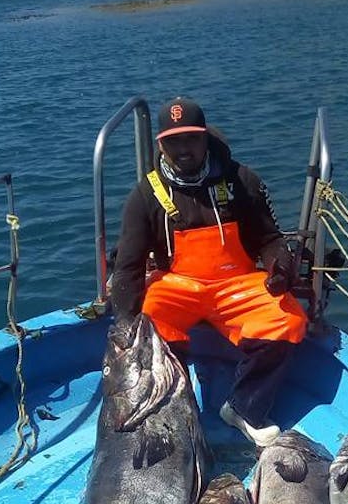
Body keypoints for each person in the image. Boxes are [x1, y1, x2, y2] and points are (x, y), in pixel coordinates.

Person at [109, 97, 307, 446]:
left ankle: (244, 407)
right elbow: (128, 266)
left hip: (236, 283)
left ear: (206, 137)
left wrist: (280, 264)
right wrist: (125, 324)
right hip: (177, 286)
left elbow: (270, 239)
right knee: (150, 328)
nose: (184, 149)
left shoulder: (242, 180)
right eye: (174, 141)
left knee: (289, 321)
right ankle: (172, 412)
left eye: (191, 139)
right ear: (161, 144)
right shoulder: (144, 195)